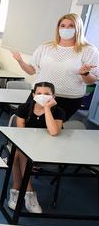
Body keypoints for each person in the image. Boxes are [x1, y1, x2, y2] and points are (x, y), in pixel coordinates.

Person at [11, 13, 98, 121]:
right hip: (40, 95)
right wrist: (20, 61)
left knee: (53, 131)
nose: (66, 28)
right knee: (29, 123)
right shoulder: (45, 47)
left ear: (78, 28)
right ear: (58, 28)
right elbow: (31, 71)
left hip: (68, 99)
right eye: (63, 25)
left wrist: (85, 73)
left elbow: (91, 81)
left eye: (71, 26)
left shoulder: (89, 50)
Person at [8, 82, 65, 214]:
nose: (42, 96)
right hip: (25, 146)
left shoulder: (58, 111)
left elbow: (54, 132)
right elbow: (21, 136)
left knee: (17, 154)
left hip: (49, 149)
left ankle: (16, 188)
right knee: (20, 151)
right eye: (39, 93)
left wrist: (47, 109)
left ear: (53, 96)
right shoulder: (24, 108)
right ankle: (29, 191)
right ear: (33, 95)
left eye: (47, 94)